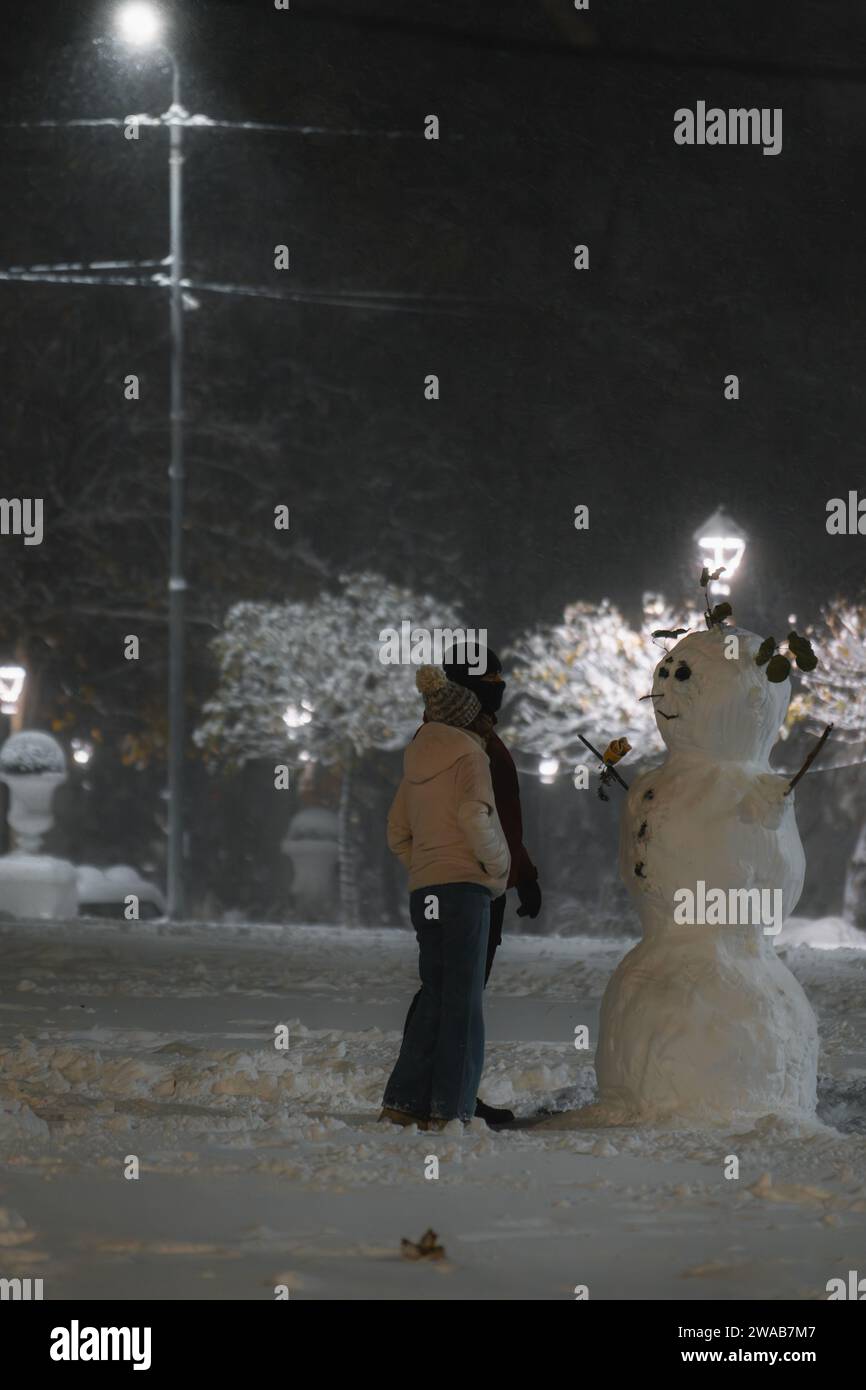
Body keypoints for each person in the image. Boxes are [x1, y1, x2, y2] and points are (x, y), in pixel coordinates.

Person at [404, 643, 541, 1126]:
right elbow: (483, 817)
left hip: (464, 879)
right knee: (454, 995)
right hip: (473, 880)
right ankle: (445, 1098)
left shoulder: (452, 738)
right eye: (491, 684)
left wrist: (520, 873)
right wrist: (502, 871)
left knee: (447, 991)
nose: (500, 692)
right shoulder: (464, 743)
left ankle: (426, 1094)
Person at [380, 664, 510, 1130]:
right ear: (465, 717)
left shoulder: (416, 761)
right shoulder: (471, 758)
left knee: (434, 994)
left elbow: (397, 833)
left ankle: (403, 1102)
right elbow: (476, 817)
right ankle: (450, 1109)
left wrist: (426, 866)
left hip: (426, 892)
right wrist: (497, 867)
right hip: (465, 891)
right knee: (463, 1001)